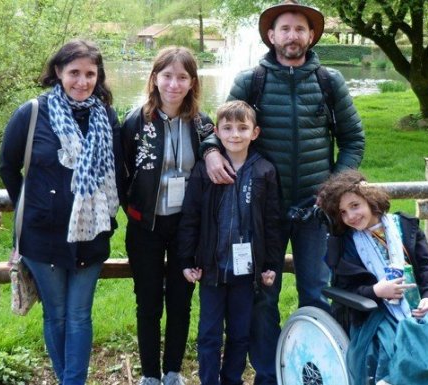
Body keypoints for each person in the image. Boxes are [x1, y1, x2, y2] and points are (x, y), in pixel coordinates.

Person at [201, 1, 364, 383]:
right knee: (262, 295)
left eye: (300, 29)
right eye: (285, 29)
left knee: (317, 290)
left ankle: (319, 370)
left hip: (315, 210)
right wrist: (210, 151)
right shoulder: (251, 80)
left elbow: (353, 139)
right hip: (260, 211)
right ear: (271, 36)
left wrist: (332, 189)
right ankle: (269, 372)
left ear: (311, 36)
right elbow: (219, 128)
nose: (293, 35)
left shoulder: (329, 81)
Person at [0, 39, 124, 385]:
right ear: (58, 72)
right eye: (74, 73)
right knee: (56, 315)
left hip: (92, 233)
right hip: (42, 236)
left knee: (79, 316)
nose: (82, 82)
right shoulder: (32, 113)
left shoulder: (106, 117)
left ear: (98, 77)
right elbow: (8, 166)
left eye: (90, 74)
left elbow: (118, 171)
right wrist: (32, 204)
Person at [317, 170, 428, 385]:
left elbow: (426, 268)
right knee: (398, 341)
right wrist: (377, 291)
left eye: (355, 206)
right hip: (377, 314)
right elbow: (345, 289)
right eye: (342, 212)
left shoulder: (404, 226)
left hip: (419, 305)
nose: (350, 216)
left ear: (370, 200)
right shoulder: (345, 244)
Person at [121, 46, 214, 385]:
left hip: (186, 229)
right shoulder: (135, 121)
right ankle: (150, 375)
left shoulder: (203, 125)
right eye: (167, 76)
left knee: (180, 300)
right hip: (145, 225)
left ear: (192, 83)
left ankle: (173, 371)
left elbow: (212, 164)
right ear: (155, 78)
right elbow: (122, 171)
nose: (174, 84)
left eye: (182, 77)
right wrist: (132, 209)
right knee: (147, 302)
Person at [178, 100, 280, 385]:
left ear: (255, 132)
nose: (235, 134)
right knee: (209, 334)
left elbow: (272, 223)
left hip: (246, 274)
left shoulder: (265, 171)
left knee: (240, 333)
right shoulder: (204, 170)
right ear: (217, 133)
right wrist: (187, 260)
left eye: (242, 128)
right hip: (211, 270)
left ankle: (231, 379)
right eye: (228, 128)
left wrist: (270, 263)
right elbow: (190, 217)